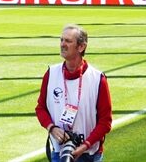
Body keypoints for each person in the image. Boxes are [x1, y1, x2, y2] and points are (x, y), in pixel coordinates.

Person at [36, 25, 112, 161]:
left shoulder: (97, 78)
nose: (62, 44)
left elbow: (105, 121)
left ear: (81, 47)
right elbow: (40, 108)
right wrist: (52, 128)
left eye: (68, 41)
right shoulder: (51, 74)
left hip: (90, 154)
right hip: (60, 153)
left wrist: (85, 145)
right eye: (61, 40)